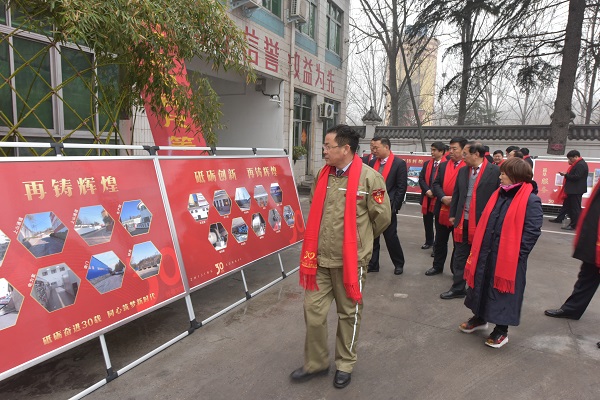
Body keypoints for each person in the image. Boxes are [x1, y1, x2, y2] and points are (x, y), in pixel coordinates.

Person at [290, 124, 391, 389]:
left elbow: (382, 218)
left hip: (350, 262)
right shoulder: (323, 175)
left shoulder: (369, 179)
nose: (324, 151)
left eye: (328, 146)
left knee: (349, 315)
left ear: (345, 149)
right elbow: (316, 209)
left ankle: (345, 364)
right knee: (313, 312)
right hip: (319, 259)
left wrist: (360, 242)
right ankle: (316, 363)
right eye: (324, 146)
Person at [459, 158, 543, 348]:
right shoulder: (499, 194)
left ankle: (501, 330)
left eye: (504, 173)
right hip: (486, 252)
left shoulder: (530, 200)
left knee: (502, 293)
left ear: (515, 176)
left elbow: (532, 232)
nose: (500, 176)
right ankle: (480, 318)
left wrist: (517, 255)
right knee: (481, 285)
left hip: (508, 259)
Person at [440, 142, 500, 299]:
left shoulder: (494, 171)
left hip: (482, 222)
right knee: (460, 255)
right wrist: (453, 214)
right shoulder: (463, 171)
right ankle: (458, 287)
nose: (463, 157)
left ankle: (478, 289)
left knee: (481, 256)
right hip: (462, 221)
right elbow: (457, 194)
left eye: (465, 154)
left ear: (477, 154)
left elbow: (498, 197)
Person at [544, 179, 600, 321]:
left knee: (588, 276)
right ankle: (572, 309)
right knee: (587, 276)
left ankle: (572, 309)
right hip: (594, 242)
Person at [425, 137, 467, 276]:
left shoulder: (467, 167)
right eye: (450, 148)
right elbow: (436, 184)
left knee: (458, 243)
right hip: (442, 207)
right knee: (440, 240)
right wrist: (443, 197)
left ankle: (456, 270)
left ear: (463, 149)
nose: (451, 151)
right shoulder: (443, 166)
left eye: (455, 149)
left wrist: (454, 200)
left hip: (459, 211)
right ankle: (437, 266)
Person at [367, 137, 407, 275]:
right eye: (372, 148)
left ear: (386, 147)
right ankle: (373, 264)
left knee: (390, 237)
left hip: (388, 206)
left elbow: (401, 187)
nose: (374, 150)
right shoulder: (372, 162)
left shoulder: (399, 163)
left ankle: (399, 263)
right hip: (373, 205)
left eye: (376, 148)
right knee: (373, 236)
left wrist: (395, 207)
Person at [549, 150, 589, 230]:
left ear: (576, 157)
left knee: (575, 208)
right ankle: (560, 218)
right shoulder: (578, 164)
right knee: (566, 205)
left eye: (571, 159)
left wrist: (566, 175)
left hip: (576, 190)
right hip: (573, 189)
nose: (570, 160)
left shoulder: (580, 164)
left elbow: (577, 177)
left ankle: (574, 225)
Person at [419, 142, 446, 250]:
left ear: (441, 152)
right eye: (431, 150)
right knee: (427, 221)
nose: (432, 152)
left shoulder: (446, 165)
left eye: (434, 150)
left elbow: (443, 182)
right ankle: (429, 241)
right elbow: (421, 179)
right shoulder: (427, 164)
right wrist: (427, 191)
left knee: (439, 225)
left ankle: (437, 246)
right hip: (427, 197)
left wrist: (434, 192)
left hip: (438, 198)